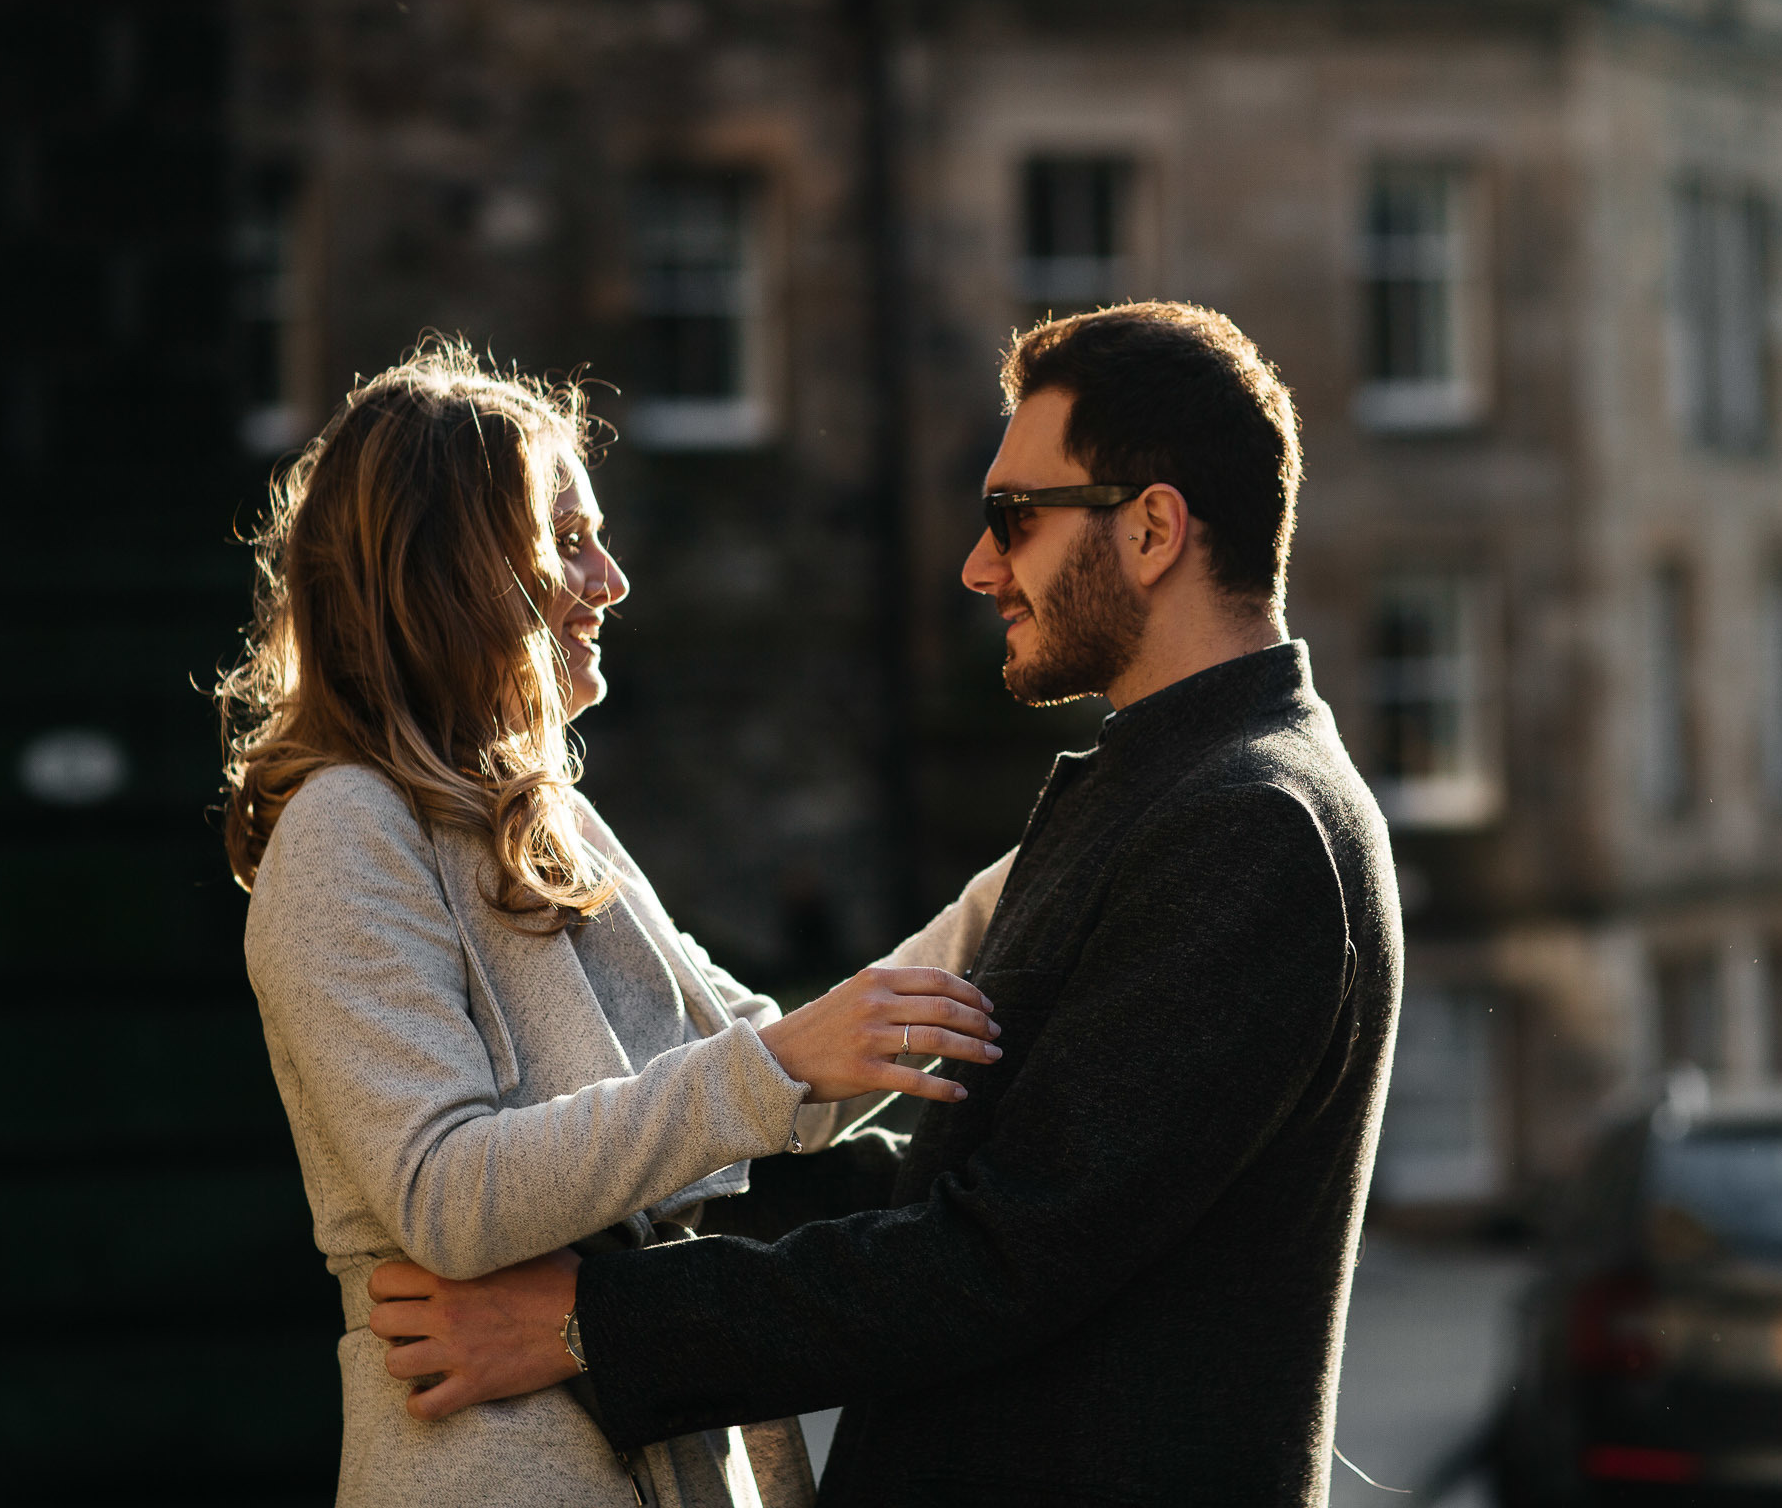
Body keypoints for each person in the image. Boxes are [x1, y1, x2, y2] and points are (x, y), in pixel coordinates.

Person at [368, 303, 1405, 1508]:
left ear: (1155, 528)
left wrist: (593, 1324)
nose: (978, 565)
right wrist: (633, 1204)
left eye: (1014, 519)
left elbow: (1007, 1252)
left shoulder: (1253, 822)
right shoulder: (1174, 789)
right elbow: (960, 1188)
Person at [216, 339, 1009, 1508]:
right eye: (570, 541)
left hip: (663, 1436)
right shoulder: (345, 827)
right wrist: (774, 1063)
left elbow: (793, 1082)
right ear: (459, 567)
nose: (612, 578)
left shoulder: (550, 821)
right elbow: (444, 1187)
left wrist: (1032, 879)